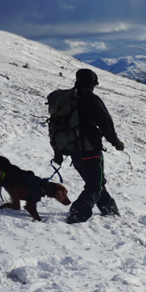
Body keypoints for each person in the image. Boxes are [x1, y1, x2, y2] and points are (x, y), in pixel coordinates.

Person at [61, 68, 125, 224]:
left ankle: (109, 208)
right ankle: (77, 214)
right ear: (92, 83)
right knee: (94, 186)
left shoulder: (66, 98)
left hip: (73, 151)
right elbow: (106, 124)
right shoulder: (91, 99)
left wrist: (58, 151)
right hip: (90, 149)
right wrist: (116, 142)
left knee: (96, 182)